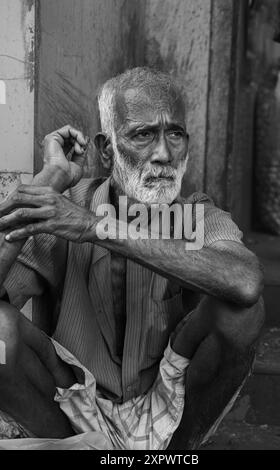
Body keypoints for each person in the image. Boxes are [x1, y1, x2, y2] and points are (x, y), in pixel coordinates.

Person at [0, 67, 264, 450]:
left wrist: (96, 228)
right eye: (143, 135)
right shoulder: (68, 208)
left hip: (168, 404)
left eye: (174, 134)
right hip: (74, 404)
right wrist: (52, 177)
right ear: (107, 150)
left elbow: (246, 283)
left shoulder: (197, 215)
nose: (163, 154)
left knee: (243, 310)